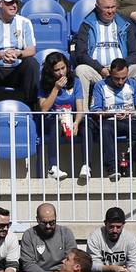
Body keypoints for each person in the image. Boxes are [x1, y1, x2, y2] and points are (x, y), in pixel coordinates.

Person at [36, 52, 87, 182]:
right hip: (51, 120)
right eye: (56, 70)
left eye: (63, 68)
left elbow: (80, 108)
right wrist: (56, 88)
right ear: (50, 71)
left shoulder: (75, 81)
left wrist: (76, 123)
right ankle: (53, 167)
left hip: (70, 118)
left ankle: (86, 166)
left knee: (87, 124)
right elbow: (44, 108)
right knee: (55, 123)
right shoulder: (44, 83)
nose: (61, 73)